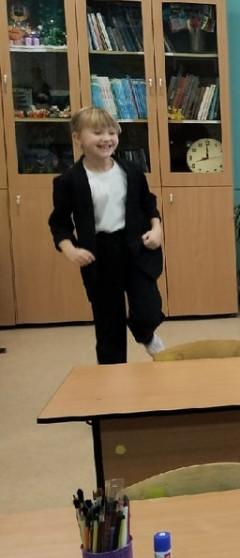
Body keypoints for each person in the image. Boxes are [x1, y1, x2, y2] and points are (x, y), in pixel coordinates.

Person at [49, 106, 165, 364]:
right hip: (100, 255)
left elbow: (148, 203)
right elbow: (59, 223)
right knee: (108, 323)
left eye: (112, 132)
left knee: (148, 309)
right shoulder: (69, 180)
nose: (106, 139)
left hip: (136, 248)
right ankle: (111, 376)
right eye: (97, 133)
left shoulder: (131, 170)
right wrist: (70, 249)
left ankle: (146, 335)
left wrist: (157, 229)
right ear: (78, 138)